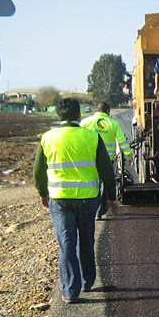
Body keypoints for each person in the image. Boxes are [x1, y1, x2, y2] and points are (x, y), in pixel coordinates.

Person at [34, 98, 116, 303]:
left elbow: (38, 172)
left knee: (67, 244)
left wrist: (43, 193)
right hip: (88, 199)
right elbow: (106, 170)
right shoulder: (92, 137)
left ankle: (71, 291)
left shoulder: (47, 138)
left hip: (60, 199)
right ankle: (88, 281)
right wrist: (111, 197)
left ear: (58, 115)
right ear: (79, 115)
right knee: (86, 240)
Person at [81, 101, 132, 219]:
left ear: (96, 111)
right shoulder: (113, 123)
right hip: (109, 160)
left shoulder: (85, 122)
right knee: (106, 184)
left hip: (90, 159)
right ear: (108, 112)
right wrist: (129, 154)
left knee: (94, 185)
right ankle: (100, 210)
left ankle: (92, 210)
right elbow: (122, 140)